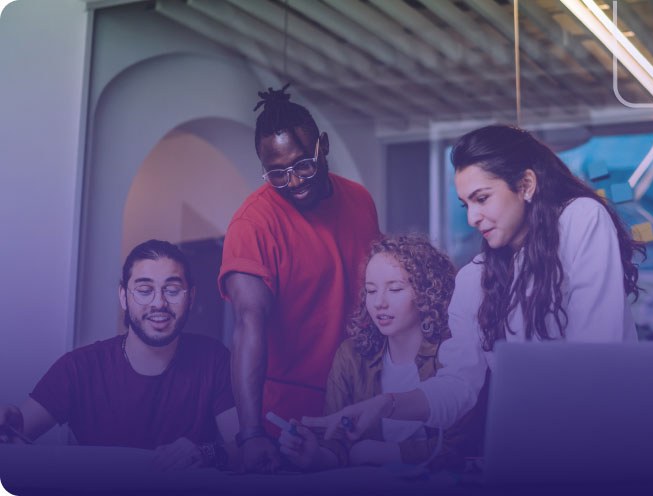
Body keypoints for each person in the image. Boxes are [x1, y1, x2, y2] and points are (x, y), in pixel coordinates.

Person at [306, 124, 644, 442]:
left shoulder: (580, 218)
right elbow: (458, 386)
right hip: (534, 448)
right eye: (466, 204)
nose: (472, 217)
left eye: (482, 198)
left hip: (601, 437)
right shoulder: (475, 278)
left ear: (525, 185)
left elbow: (598, 350)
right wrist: (386, 404)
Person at [219, 84, 380, 472]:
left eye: (303, 164)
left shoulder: (359, 199)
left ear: (322, 146)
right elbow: (247, 324)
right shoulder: (253, 224)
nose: (294, 181)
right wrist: (252, 434)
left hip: (356, 402)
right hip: (286, 418)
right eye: (277, 174)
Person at [0, 239, 238, 471]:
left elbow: (246, 449)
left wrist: (206, 453)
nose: (159, 303)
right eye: (144, 290)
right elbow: (16, 434)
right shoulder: (78, 368)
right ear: (123, 296)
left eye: (173, 290)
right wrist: (8, 428)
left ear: (191, 297)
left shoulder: (213, 360)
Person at [280, 235, 485, 470]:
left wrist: (392, 453)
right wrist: (317, 455)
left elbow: (463, 446)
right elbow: (336, 441)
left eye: (395, 289)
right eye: (371, 290)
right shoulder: (351, 356)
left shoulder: (454, 353)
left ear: (427, 292)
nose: (379, 303)